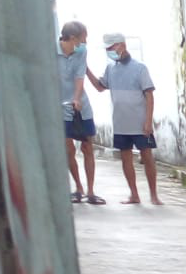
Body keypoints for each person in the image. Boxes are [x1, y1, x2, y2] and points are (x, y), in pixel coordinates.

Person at [94, 33, 162, 205]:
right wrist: (85, 70)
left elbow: (149, 95)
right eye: (108, 49)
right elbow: (100, 87)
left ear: (122, 45)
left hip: (140, 122)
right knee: (126, 159)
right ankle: (134, 194)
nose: (110, 51)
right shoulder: (110, 69)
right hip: (120, 123)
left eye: (112, 47)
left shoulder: (140, 68)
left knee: (147, 157)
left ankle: (154, 195)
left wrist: (148, 121)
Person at [57, 21, 104, 205]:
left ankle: (91, 191)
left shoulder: (81, 52)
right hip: (59, 106)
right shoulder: (51, 52)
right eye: (84, 38)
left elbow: (79, 78)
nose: (85, 42)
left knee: (87, 147)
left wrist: (77, 98)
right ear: (73, 38)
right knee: (68, 148)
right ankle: (78, 187)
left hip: (80, 105)